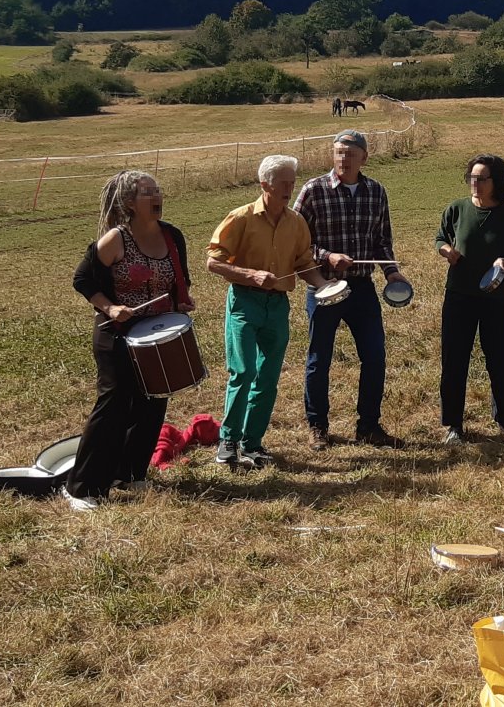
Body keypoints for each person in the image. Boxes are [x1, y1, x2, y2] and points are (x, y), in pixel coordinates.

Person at [66, 170, 195, 510]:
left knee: (153, 403)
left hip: (156, 334)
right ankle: (83, 488)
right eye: (147, 192)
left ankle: (129, 473)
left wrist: (182, 301)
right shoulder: (116, 239)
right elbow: (83, 279)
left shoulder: (172, 236)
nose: (157, 197)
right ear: (129, 203)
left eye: (158, 190)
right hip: (117, 335)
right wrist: (110, 307)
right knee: (114, 407)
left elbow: (180, 280)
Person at [204, 154, 324, 469]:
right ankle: (228, 440)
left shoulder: (296, 222)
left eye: (292, 183)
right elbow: (213, 262)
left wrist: (325, 286)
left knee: (268, 377)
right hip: (245, 302)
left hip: (277, 306)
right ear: (264, 184)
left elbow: (304, 263)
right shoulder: (241, 217)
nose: (289, 189)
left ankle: (252, 443)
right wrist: (250, 275)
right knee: (243, 371)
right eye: (282, 183)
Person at [294, 129, 408, 450]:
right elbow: (295, 241)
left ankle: (369, 426)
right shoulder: (313, 190)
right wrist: (326, 256)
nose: (344, 159)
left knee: (375, 356)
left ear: (364, 158)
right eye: (339, 152)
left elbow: (382, 240)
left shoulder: (376, 192)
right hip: (324, 287)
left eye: (351, 153)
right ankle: (318, 427)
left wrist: (392, 273)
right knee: (319, 359)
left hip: (362, 288)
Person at [435, 154, 504, 443]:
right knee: (454, 360)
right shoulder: (456, 209)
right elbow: (440, 239)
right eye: (472, 178)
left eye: (481, 178)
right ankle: (453, 425)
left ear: (496, 182)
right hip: (459, 297)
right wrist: (446, 251)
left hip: (496, 299)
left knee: (501, 359)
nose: (475, 183)